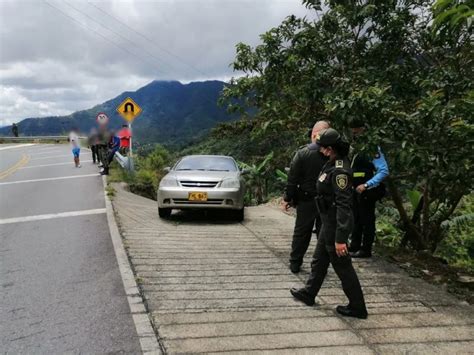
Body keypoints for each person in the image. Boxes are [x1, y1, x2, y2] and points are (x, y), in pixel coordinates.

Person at [290, 128, 368, 319]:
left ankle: (358, 307)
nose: (321, 151)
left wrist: (341, 238)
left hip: (335, 223)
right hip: (327, 220)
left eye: (323, 148)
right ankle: (309, 293)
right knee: (319, 259)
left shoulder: (340, 171)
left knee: (342, 265)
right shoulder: (331, 163)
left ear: (331, 148)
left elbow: (344, 205)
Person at [282, 120, 329, 273]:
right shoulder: (334, 153)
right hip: (328, 201)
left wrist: (287, 198)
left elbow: (292, 179)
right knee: (325, 234)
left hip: (306, 200)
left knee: (302, 233)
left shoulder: (302, 153)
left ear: (314, 134)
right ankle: (320, 267)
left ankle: (295, 263)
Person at [349, 119, 389, 258]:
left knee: (367, 220)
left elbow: (383, 170)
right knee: (357, 219)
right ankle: (354, 246)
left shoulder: (372, 148)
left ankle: (366, 249)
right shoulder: (356, 149)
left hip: (368, 191)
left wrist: (367, 185)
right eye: (353, 131)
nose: (355, 133)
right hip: (356, 191)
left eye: (357, 131)